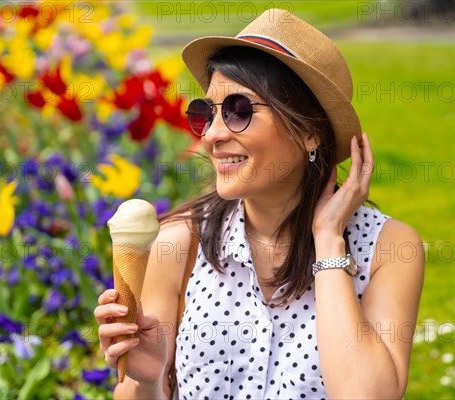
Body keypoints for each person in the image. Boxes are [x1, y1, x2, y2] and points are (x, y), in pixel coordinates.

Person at [94, 8, 424, 399]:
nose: (212, 135)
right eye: (206, 113)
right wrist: (147, 381)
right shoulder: (180, 243)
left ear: (308, 132)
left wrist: (328, 240)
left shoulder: (387, 248)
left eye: (238, 111)